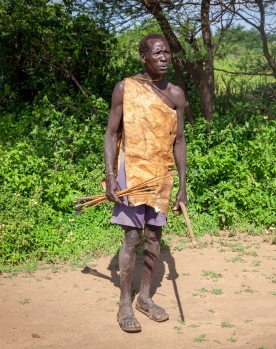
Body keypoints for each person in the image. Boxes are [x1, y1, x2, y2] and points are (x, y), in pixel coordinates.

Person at [103, 33, 187, 333]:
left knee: (154, 237)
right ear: (144, 57)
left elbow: (179, 142)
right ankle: (125, 302)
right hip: (132, 172)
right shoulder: (126, 88)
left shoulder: (176, 94)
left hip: (161, 174)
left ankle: (145, 298)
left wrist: (182, 187)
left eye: (167, 53)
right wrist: (112, 176)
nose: (164, 58)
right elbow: (112, 134)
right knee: (131, 238)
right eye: (157, 53)